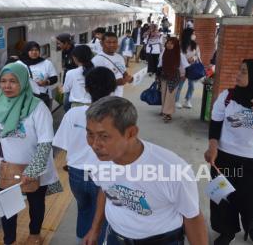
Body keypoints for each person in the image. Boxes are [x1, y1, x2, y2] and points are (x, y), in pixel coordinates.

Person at [82, 96, 208, 245]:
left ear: (131, 133)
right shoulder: (98, 157)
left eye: (104, 136)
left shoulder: (173, 170)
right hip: (115, 238)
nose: (95, 145)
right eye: (90, 134)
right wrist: (95, 229)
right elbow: (105, 189)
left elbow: (193, 217)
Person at [0, 63, 62, 245]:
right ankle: (9, 240)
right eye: (3, 81)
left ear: (23, 82)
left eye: (13, 81)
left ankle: (34, 233)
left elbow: (46, 142)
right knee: (8, 207)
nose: (7, 86)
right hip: (9, 168)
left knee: (36, 204)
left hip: (35, 170)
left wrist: (32, 171)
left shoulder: (38, 108)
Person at [204, 59, 253, 245]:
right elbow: (216, 121)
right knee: (222, 197)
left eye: (244, 72)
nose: (238, 75)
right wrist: (212, 146)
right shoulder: (228, 96)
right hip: (224, 158)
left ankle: (251, 223)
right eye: (239, 70)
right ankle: (227, 231)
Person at [53, 66, 116, 245]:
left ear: (86, 88)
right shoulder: (119, 117)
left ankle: (82, 241)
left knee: (84, 210)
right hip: (105, 174)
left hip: (77, 174)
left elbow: (63, 145)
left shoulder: (73, 114)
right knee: (103, 214)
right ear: (112, 88)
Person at [18, 41, 58, 109]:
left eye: (36, 50)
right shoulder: (19, 64)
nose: (34, 52)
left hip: (44, 97)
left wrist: (46, 82)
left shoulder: (46, 63)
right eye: (31, 50)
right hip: (26, 98)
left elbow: (54, 78)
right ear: (26, 51)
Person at [157, 37, 189, 122]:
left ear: (175, 45)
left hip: (174, 77)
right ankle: (164, 110)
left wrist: (184, 75)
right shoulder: (164, 52)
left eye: (171, 43)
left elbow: (186, 66)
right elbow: (160, 64)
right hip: (164, 76)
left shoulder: (180, 55)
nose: (169, 45)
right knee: (163, 94)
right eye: (168, 43)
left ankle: (168, 114)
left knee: (170, 95)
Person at [92, 32, 133, 97]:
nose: (112, 45)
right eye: (108, 42)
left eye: (115, 42)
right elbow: (95, 83)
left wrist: (129, 78)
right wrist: (116, 83)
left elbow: (123, 72)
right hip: (104, 98)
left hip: (118, 96)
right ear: (102, 44)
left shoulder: (119, 57)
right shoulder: (97, 60)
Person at [175, 28, 201, 109]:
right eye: (193, 34)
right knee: (179, 85)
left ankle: (187, 100)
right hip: (182, 68)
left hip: (192, 68)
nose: (194, 35)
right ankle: (176, 101)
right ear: (188, 35)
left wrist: (193, 58)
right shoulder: (180, 45)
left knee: (192, 85)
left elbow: (198, 55)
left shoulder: (195, 45)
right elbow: (177, 57)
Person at [57, 33, 76, 112]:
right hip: (67, 81)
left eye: (59, 43)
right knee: (66, 104)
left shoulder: (75, 53)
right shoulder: (64, 52)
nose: (58, 45)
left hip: (73, 83)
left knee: (67, 104)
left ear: (66, 43)